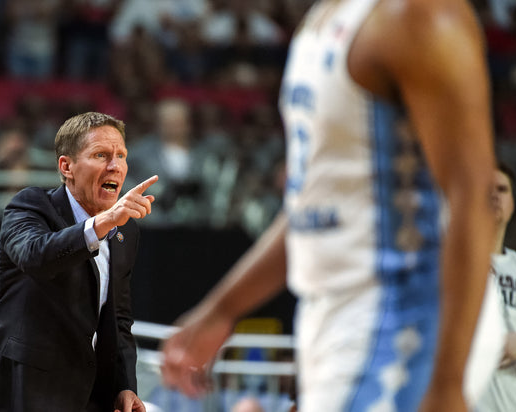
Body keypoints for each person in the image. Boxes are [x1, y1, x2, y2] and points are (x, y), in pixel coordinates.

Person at [161, 1, 497, 412]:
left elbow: (475, 195)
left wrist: (447, 384)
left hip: (403, 318)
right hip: (336, 316)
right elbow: (315, 204)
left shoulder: (416, 14)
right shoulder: (323, 18)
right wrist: (222, 309)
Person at [0, 112, 158, 412]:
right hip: (13, 390)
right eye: (101, 155)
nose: (115, 166)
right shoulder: (30, 206)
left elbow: (118, 317)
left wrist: (124, 384)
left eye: (121, 155)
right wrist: (104, 222)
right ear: (67, 166)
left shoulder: (125, 229)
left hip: (79, 393)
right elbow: (36, 256)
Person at [476, 162, 516, 410]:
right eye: (487, 190)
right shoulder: (450, 267)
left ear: (512, 204)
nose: (495, 196)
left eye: (503, 189)